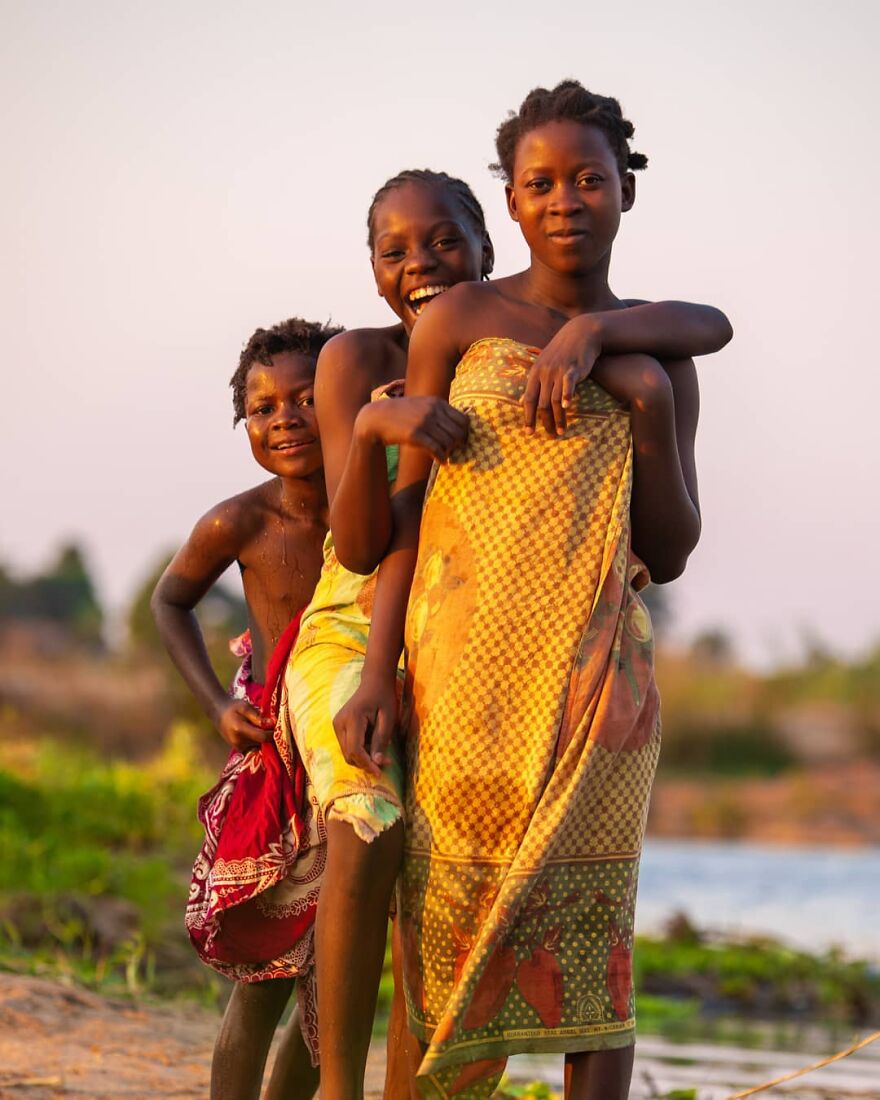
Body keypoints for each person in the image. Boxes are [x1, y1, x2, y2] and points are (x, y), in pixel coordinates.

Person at [282, 153, 732, 1100]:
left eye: (588, 180)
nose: (566, 201)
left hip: (599, 675)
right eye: (541, 183)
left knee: (597, 930)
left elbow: (674, 548)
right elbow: (387, 536)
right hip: (454, 666)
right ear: (517, 207)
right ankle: (340, 1084)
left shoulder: (659, 354)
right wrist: (375, 670)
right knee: (437, 904)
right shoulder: (438, 334)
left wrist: (640, 392)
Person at [152, 317, 340, 1100]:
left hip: (365, 754)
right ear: (244, 425)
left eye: (307, 397)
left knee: (336, 970)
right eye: (264, 408)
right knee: (269, 968)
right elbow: (171, 600)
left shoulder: (387, 506)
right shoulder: (243, 521)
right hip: (280, 760)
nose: (286, 418)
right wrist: (216, 709)